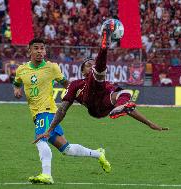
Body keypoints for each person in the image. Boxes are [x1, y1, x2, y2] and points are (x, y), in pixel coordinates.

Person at [34, 23, 169, 145]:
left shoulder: (107, 84)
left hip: (105, 104)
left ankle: (118, 107)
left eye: (93, 64)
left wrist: (150, 124)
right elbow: (62, 109)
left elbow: (130, 109)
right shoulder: (76, 84)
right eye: (88, 65)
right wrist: (50, 129)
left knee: (126, 93)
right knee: (98, 75)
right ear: (82, 71)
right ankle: (104, 47)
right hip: (92, 104)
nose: (91, 65)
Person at [13, 38, 111, 185]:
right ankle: (98, 154)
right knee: (67, 149)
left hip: (46, 110)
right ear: (29, 51)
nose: (39, 51)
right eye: (36, 48)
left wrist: (82, 94)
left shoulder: (52, 68)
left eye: (42, 48)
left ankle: (46, 175)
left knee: (40, 141)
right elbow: (17, 81)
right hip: (37, 113)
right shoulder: (21, 69)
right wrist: (16, 89)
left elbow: (67, 84)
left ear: (45, 51)